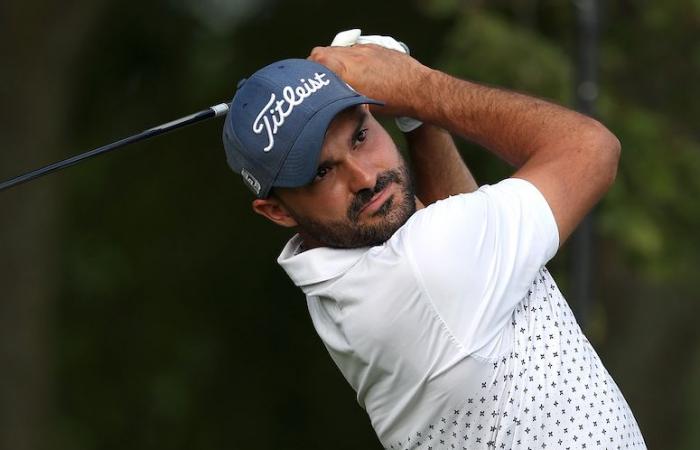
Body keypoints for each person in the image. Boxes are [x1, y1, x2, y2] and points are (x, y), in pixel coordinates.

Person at [222, 34, 646, 449]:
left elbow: (452, 222)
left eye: (360, 137)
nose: (366, 178)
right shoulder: (421, 270)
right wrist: (416, 86)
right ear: (276, 211)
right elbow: (590, 150)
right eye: (321, 173)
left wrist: (416, 118)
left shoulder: (341, 277)